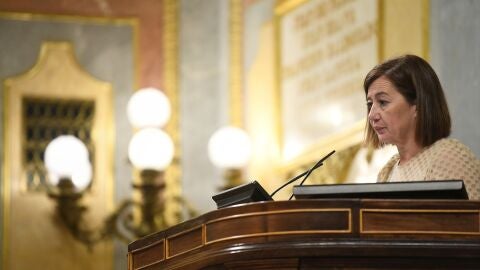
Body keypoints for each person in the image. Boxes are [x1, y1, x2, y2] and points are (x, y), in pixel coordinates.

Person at [363, 54, 480, 200]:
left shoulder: (448, 157)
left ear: (418, 105)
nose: (372, 115)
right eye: (370, 104)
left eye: (383, 102)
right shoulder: (386, 173)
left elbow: (468, 221)